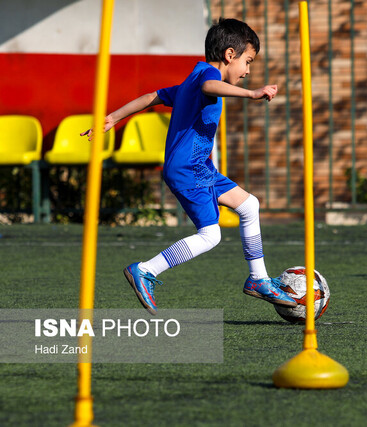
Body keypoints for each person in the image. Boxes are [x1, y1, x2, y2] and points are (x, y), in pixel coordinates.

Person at [82, 18, 296, 314]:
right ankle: (146, 269)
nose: (247, 71)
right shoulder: (206, 77)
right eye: (247, 62)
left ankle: (259, 279)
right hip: (188, 169)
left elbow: (153, 96)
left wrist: (113, 118)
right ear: (229, 55)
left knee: (249, 206)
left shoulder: (190, 79)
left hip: (200, 168)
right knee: (211, 235)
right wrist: (252, 94)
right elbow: (212, 85)